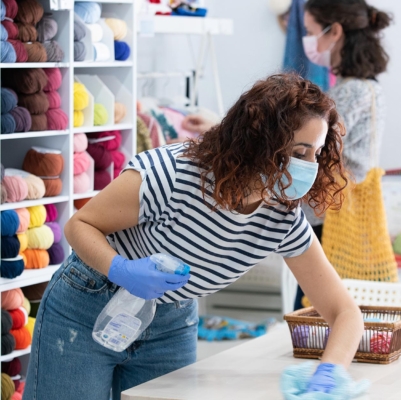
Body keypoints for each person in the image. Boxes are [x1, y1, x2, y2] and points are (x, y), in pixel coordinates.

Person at [24, 74, 364, 399]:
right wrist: (120, 269)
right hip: (87, 304)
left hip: (170, 323)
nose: (309, 165)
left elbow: (344, 311)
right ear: (261, 139)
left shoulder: (282, 217)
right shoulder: (172, 174)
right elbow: (79, 225)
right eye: (299, 152)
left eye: (316, 154)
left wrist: (330, 371)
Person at [294, 0, 393, 308]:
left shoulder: (351, 93)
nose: (308, 41)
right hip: (336, 217)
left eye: (311, 32)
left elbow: (307, 144)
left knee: (316, 312)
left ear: (334, 31)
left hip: (333, 222)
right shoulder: (366, 89)